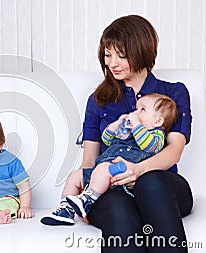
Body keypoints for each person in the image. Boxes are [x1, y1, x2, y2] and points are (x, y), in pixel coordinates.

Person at [41, 15, 193, 253]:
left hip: (164, 187)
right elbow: (90, 160)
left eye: (121, 55)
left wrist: (138, 170)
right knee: (118, 210)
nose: (113, 63)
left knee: (150, 181)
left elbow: (174, 151)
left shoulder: (173, 93)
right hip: (111, 188)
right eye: (107, 54)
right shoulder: (97, 101)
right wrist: (85, 189)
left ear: (142, 50)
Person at [65, 93, 177, 221]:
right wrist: (115, 125)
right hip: (101, 170)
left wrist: (136, 125)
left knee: (103, 169)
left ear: (158, 121)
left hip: (122, 171)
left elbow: (148, 145)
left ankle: (87, 200)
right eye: (136, 108)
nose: (135, 112)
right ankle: (65, 209)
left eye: (143, 110)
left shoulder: (157, 136)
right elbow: (107, 140)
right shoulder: (129, 132)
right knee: (75, 175)